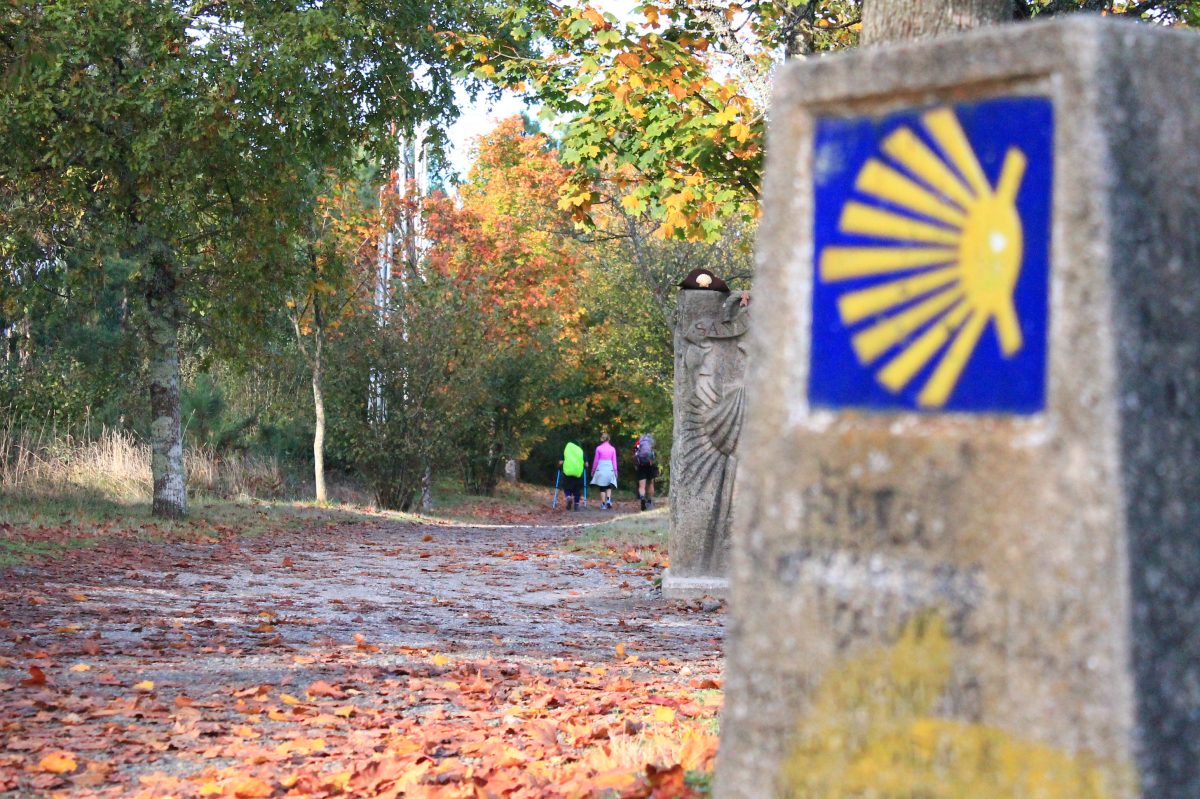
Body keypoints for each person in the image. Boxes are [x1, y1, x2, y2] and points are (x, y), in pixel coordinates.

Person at [590, 433, 618, 509]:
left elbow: (596, 461)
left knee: (602, 487)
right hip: (609, 468)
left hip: (601, 467)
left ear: (602, 439)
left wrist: (593, 471)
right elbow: (614, 461)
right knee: (609, 485)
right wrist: (615, 471)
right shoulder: (612, 449)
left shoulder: (598, 448)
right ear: (609, 439)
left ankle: (603, 504)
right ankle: (608, 500)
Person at [633, 433, 658, 511]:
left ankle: (642, 499)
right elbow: (654, 455)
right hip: (650, 465)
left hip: (641, 466)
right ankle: (650, 501)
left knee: (642, 486)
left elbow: (634, 454)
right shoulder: (651, 443)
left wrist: (636, 464)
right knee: (651, 483)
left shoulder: (638, 443)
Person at [559, 440, 585, 511]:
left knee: (567, 486)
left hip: (567, 473)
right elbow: (586, 464)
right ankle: (576, 505)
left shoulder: (567, 450)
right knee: (577, 489)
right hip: (578, 474)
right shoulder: (581, 451)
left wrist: (559, 466)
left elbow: (561, 462)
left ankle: (568, 496)